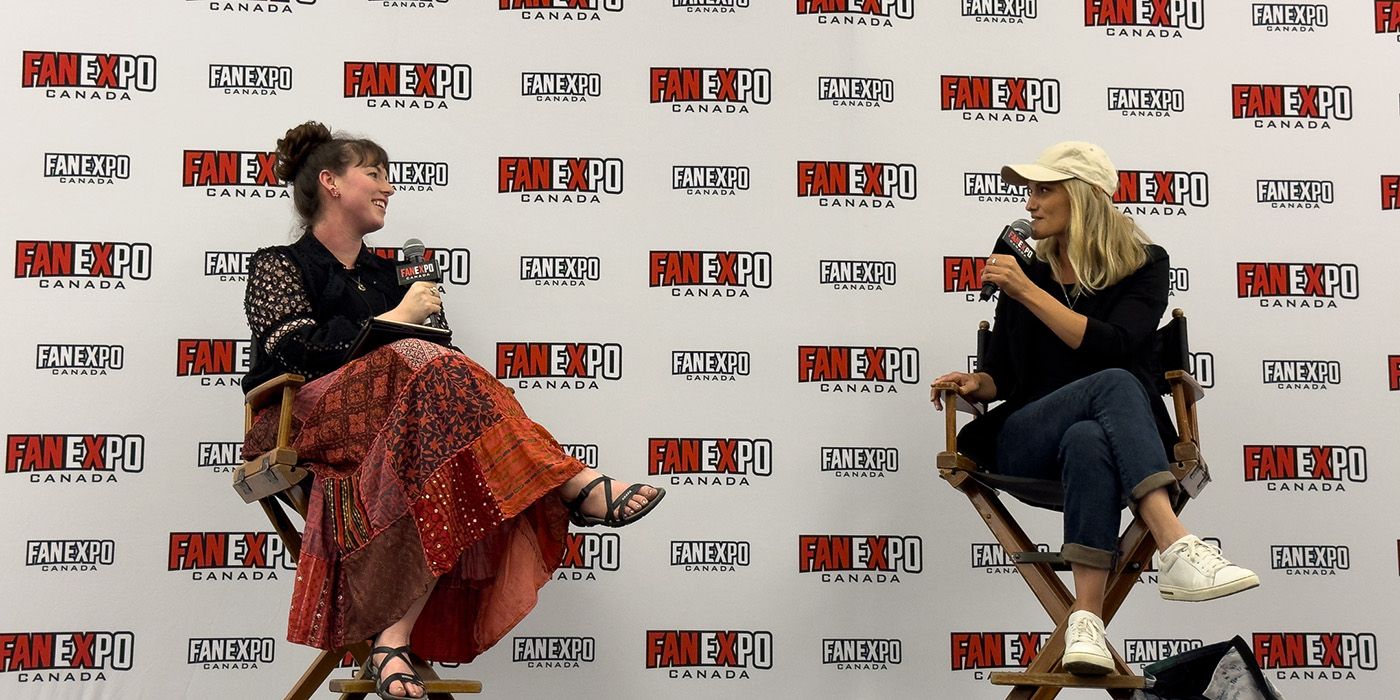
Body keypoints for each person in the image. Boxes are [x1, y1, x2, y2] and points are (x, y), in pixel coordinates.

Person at [241, 121, 665, 699]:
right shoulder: (279, 264)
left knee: (446, 446)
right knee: (422, 359)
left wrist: (410, 322)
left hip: (401, 426)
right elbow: (296, 348)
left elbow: (443, 360)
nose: (389, 186)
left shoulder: (393, 275)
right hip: (306, 421)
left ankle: (393, 642)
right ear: (331, 183)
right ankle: (570, 480)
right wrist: (396, 323)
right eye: (374, 173)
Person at [931, 142, 1258, 676]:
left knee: (1090, 431)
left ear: (1081, 197)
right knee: (1111, 385)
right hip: (1025, 439)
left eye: (1043, 189)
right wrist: (980, 381)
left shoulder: (1145, 264)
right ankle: (1174, 545)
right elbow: (1009, 375)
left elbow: (1116, 344)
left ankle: (1085, 620)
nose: (1030, 202)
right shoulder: (1024, 263)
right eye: (1028, 191)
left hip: (1108, 441)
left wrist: (1028, 291)